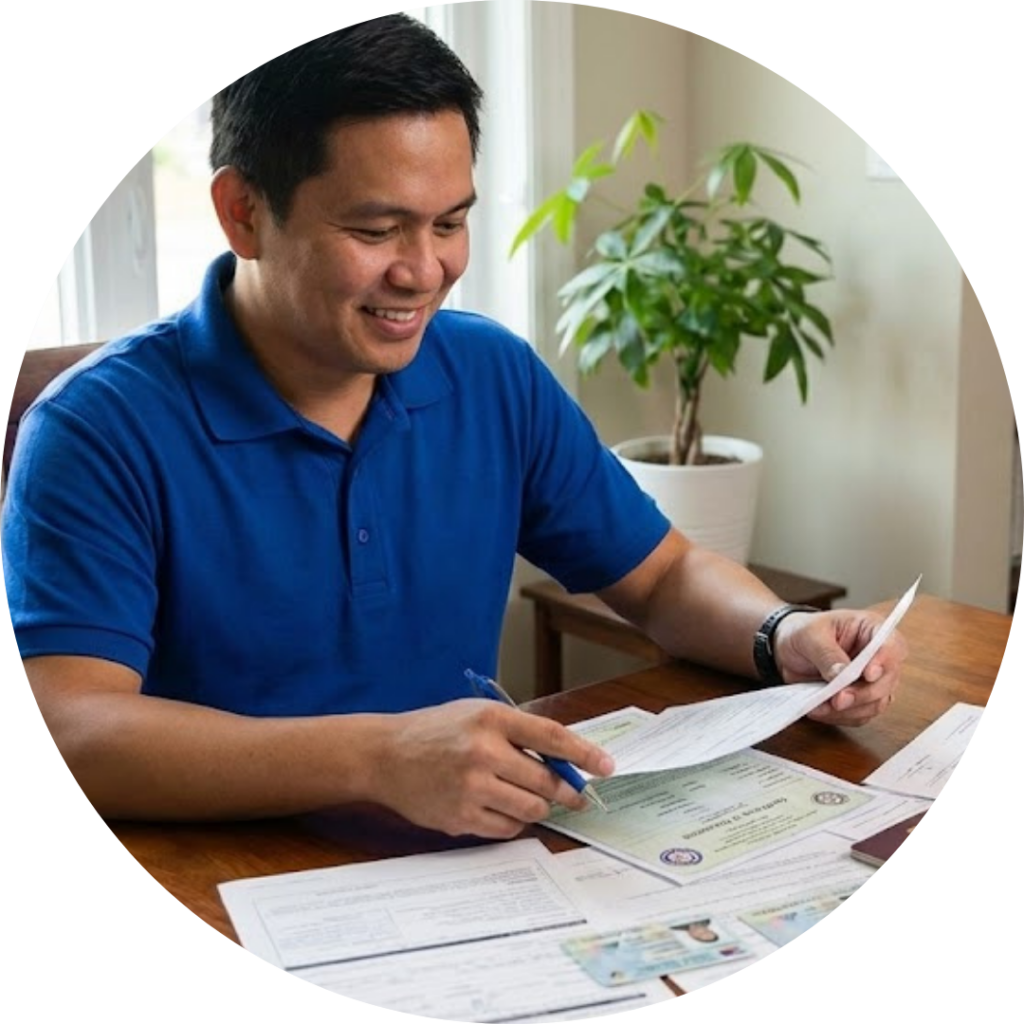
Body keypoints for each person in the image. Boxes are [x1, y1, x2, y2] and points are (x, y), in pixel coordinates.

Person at [1, 14, 906, 840]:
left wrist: (778, 633)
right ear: (244, 211)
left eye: (450, 222)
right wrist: (376, 757)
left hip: (490, 861)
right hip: (229, 888)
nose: (425, 271)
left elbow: (663, 576)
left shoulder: (488, 371)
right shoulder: (93, 430)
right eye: (377, 227)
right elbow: (72, 730)